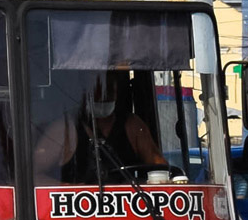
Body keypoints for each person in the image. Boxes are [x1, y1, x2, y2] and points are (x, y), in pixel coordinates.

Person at [35, 70, 165, 185]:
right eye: (97, 88)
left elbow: (161, 171)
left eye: (108, 87)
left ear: (116, 88)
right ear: (84, 90)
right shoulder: (65, 129)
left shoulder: (133, 126)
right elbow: (33, 175)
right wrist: (66, 188)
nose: (102, 95)